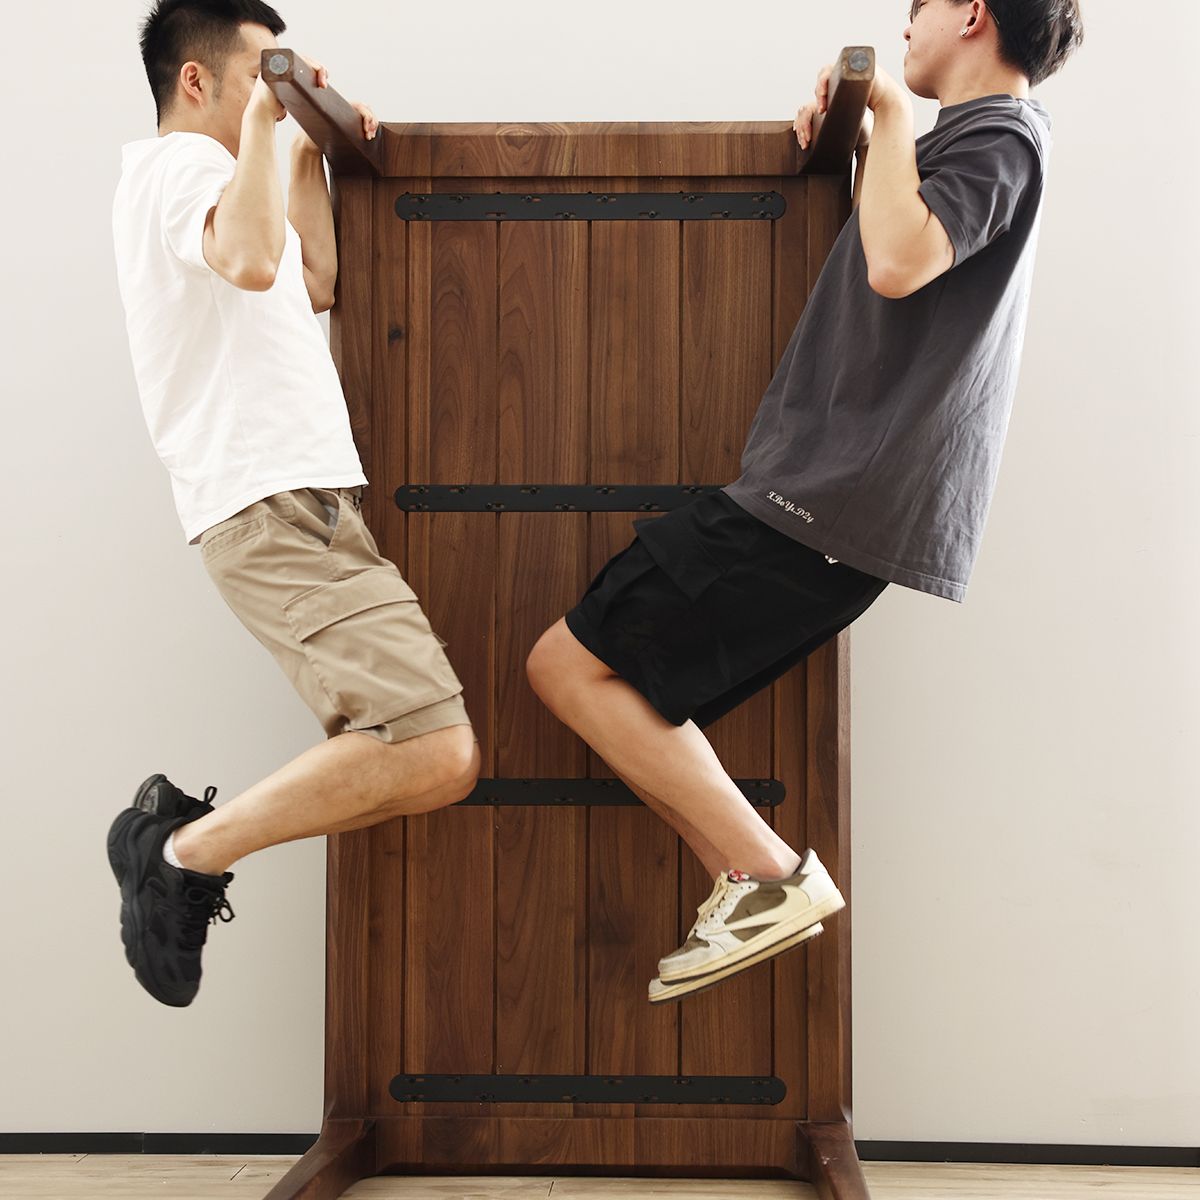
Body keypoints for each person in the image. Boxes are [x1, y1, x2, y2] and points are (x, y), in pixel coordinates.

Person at [526, 0, 1085, 1004]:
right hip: (826, 499)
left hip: (829, 500)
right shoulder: (968, 140)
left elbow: (902, 259)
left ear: (970, 12)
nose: (903, 26)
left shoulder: (1001, 136)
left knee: (569, 664)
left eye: (917, 7)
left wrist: (886, 118)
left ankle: (773, 877)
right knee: (597, 673)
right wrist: (869, 136)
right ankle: (748, 880)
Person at [107, 0, 480, 1008]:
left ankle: (174, 843)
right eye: (262, 72)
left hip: (302, 503)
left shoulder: (230, 189)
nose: (274, 90)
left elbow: (310, 278)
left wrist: (308, 146)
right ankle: (176, 850)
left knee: (437, 760)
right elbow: (254, 261)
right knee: (435, 747)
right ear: (198, 80)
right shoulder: (180, 170)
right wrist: (272, 129)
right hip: (269, 503)